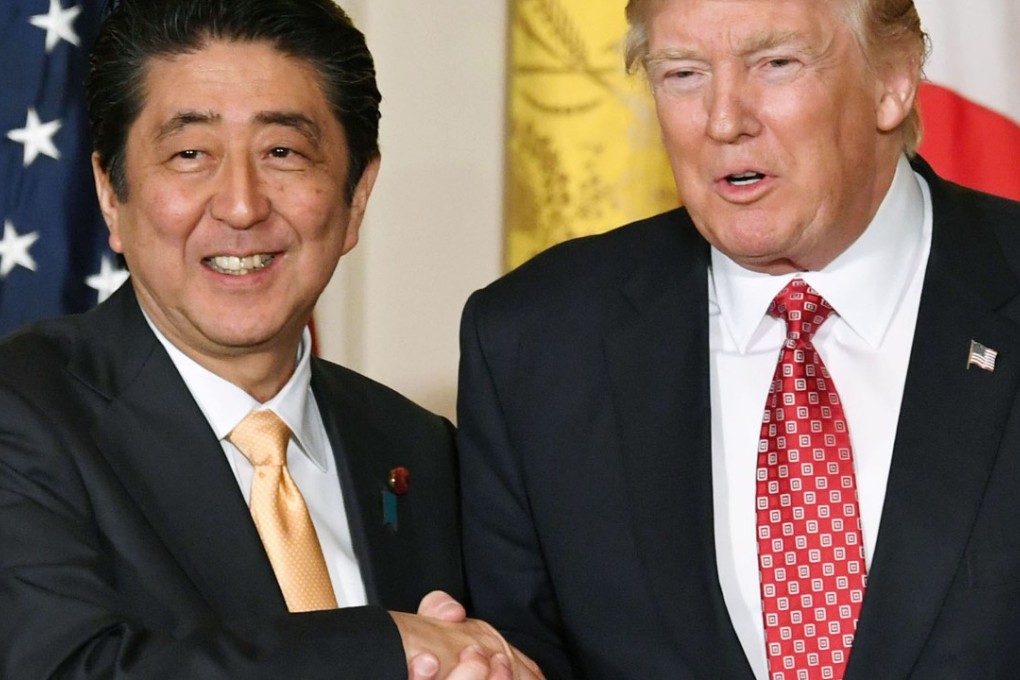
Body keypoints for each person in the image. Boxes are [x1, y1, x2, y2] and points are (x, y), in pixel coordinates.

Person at [457, 0, 1020, 678]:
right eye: (684, 74)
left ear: (893, 79)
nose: (723, 120)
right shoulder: (534, 342)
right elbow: (528, 651)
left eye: (775, 64)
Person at [0, 1, 542, 679]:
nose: (241, 204)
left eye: (282, 152)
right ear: (112, 195)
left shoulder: (420, 451)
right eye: (191, 154)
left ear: (355, 199)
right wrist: (384, 648)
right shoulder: (23, 415)